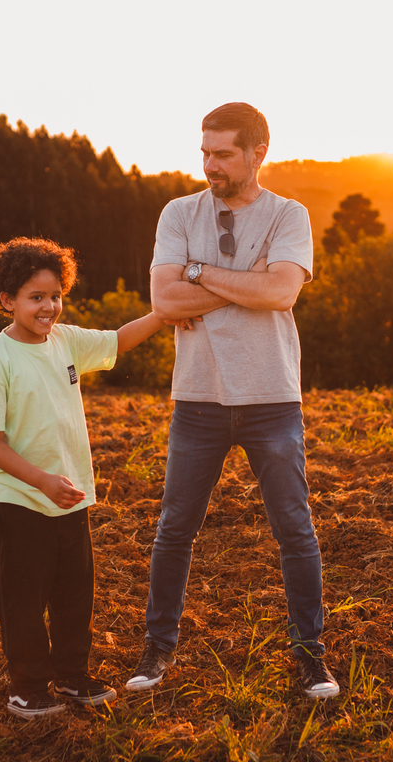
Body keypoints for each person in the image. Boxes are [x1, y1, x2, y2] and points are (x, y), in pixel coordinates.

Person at [125, 103, 340, 698]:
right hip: (198, 399)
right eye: (205, 152)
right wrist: (240, 283)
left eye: (222, 153)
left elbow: (280, 292)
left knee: (295, 529)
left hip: (272, 397)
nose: (209, 164)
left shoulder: (288, 216)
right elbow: (165, 303)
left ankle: (309, 655)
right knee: (175, 529)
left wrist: (199, 273)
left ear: (257, 153)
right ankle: (157, 650)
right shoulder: (179, 212)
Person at [0, 236, 167, 719]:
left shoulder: (66, 341)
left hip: (69, 496)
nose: (49, 307)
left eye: (55, 295)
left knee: (74, 595)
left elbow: (119, 339)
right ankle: (28, 686)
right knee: (24, 600)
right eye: (35, 297)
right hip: (19, 499)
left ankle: (73, 676)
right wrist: (42, 481)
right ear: (7, 301)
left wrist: (164, 314)